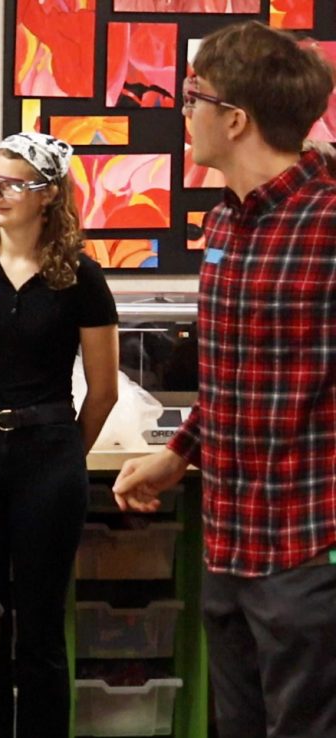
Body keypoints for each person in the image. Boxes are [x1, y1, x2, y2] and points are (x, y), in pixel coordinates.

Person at [113, 21, 336, 738]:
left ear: (233, 119)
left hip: (309, 548)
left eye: (192, 97)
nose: (184, 112)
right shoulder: (227, 224)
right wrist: (178, 452)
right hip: (230, 540)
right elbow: (237, 373)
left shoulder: (328, 221)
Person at [0, 131, 119, 738]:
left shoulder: (80, 277)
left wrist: (59, 454)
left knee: (38, 627)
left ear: (48, 195)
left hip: (49, 454)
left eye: (12, 184)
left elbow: (104, 388)